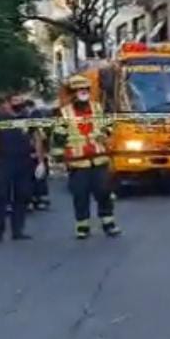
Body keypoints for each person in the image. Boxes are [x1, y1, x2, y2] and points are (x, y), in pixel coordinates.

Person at [53, 75, 119, 240]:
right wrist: (59, 161)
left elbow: (109, 126)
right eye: (78, 90)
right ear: (72, 93)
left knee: (104, 192)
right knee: (80, 195)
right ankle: (82, 226)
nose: (82, 92)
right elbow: (58, 138)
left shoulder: (97, 108)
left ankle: (108, 223)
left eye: (85, 89)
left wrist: (105, 134)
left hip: (99, 159)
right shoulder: (64, 113)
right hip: (78, 162)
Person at [0, 95, 46, 244]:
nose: (18, 104)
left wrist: (40, 162)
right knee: (1, 197)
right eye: (14, 101)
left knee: (22, 196)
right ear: (8, 103)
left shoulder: (28, 119)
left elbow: (37, 140)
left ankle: (18, 230)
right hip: (4, 161)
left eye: (20, 101)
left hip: (24, 162)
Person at [24, 99, 51, 212]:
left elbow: (41, 140)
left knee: (33, 178)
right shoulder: (40, 122)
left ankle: (34, 200)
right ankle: (37, 200)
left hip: (34, 155)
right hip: (36, 155)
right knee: (37, 178)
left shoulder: (32, 123)